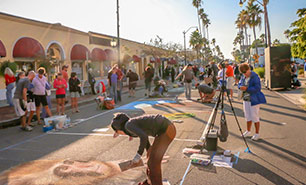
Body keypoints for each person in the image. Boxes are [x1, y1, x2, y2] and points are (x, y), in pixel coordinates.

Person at [111, 113, 176, 185]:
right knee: (150, 161)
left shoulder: (128, 125)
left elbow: (144, 137)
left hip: (166, 130)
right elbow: (145, 136)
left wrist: (138, 155)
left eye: (117, 132)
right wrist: (149, 151)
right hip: (165, 129)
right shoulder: (131, 123)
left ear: (118, 128)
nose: (120, 134)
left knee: (153, 164)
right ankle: (149, 182)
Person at [238, 63, 266, 141]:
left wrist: (246, 89)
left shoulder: (255, 77)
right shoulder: (243, 77)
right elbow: (239, 84)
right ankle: (248, 131)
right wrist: (240, 86)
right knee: (247, 116)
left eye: (245, 72)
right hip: (246, 99)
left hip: (254, 99)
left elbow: (257, 88)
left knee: (255, 116)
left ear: (248, 69)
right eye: (242, 73)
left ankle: (257, 133)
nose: (244, 74)